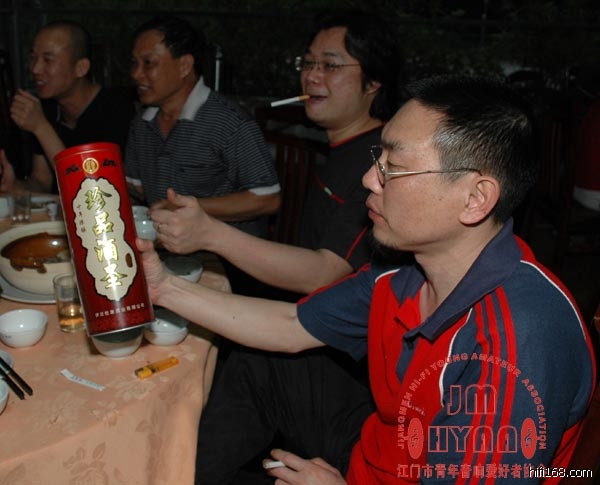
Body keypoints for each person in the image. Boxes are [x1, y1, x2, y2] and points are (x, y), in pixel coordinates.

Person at [137, 74, 596, 484]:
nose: (369, 179)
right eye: (380, 157)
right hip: (379, 452)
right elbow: (289, 325)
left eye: (394, 166)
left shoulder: (516, 345)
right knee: (261, 364)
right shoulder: (405, 273)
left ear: (475, 198)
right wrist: (163, 288)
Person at [148, 11, 403, 483]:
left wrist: (210, 233)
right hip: (320, 338)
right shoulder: (345, 149)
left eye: (331, 65)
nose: (312, 76)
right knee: (235, 353)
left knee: (243, 358)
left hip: (357, 385)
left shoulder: (375, 161)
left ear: (373, 83)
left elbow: (325, 273)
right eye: (308, 63)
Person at [125, 15, 280, 238]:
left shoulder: (229, 121)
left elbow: (268, 198)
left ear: (184, 66)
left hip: (224, 252)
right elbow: (135, 189)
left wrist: (184, 208)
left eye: (148, 63)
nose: (136, 74)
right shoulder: (142, 123)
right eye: (134, 63)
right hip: (166, 245)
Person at [0, 19, 135, 194]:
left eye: (48, 60)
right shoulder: (48, 109)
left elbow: (91, 193)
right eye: (33, 58)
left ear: (81, 68)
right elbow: (41, 181)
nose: (35, 69)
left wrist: (42, 128)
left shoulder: (117, 110)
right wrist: (15, 186)